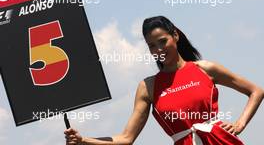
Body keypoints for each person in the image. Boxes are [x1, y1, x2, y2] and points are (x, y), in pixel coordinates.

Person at [64, 16, 264, 145]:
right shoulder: (148, 87)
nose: (158, 49)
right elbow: (126, 138)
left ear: (175, 36)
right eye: (152, 46)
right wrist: (84, 140)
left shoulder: (205, 69)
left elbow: (256, 91)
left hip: (220, 141)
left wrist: (239, 124)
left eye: (163, 41)